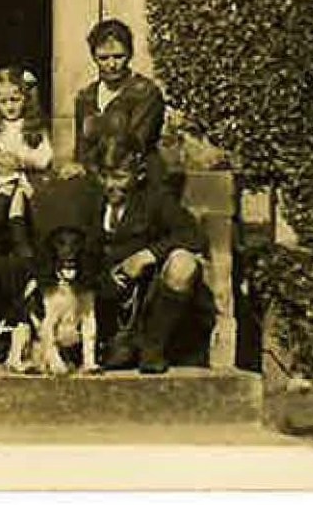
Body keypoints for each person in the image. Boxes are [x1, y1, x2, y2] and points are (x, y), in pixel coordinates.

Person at [86, 134, 214, 374]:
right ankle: (114, 344)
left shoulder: (156, 199)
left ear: (139, 175)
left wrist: (148, 254)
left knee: (183, 263)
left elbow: (194, 236)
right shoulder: (92, 198)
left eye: (120, 177)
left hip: (146, 295)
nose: (110, 185)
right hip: (105, 299)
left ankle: (153, 346)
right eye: (105, 176)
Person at [0, 66, 53, 333]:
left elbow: (45, 157)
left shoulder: (33, 128)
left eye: (15, 100)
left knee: (14, 190)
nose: (9, 107)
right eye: (3, 101)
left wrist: (22, 159)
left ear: (25, 99)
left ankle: (12, 235)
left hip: (25, 179)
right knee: (5, 189)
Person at [62, 19, 166, 182]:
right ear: (94, 57)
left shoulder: (146, 93)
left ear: (130, 54)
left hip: (135, 177)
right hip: (96, 178)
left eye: (118, 57)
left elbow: (134, 143)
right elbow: (82, 147)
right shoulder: (86, 97)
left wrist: (87, 166)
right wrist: (77, 166)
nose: (111, 64)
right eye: (103, 58)